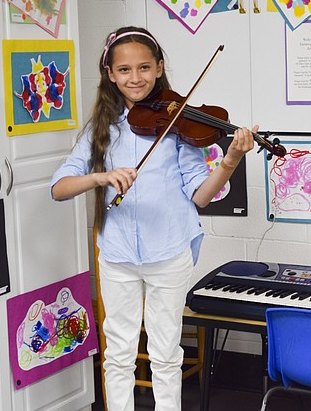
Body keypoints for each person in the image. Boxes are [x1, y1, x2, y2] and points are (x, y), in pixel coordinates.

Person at [50, 26, 257, 411]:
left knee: (165, 353)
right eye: (124, 70)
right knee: (118, 352)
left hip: (168, 251)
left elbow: (201, 196)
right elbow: (58, 187)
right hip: (117, 254)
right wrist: (100, 176)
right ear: (110, 74)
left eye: (144, 67)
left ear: (159, 68)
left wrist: (229, 161)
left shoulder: (178, 124)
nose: (135, 77)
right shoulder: (100, 130)